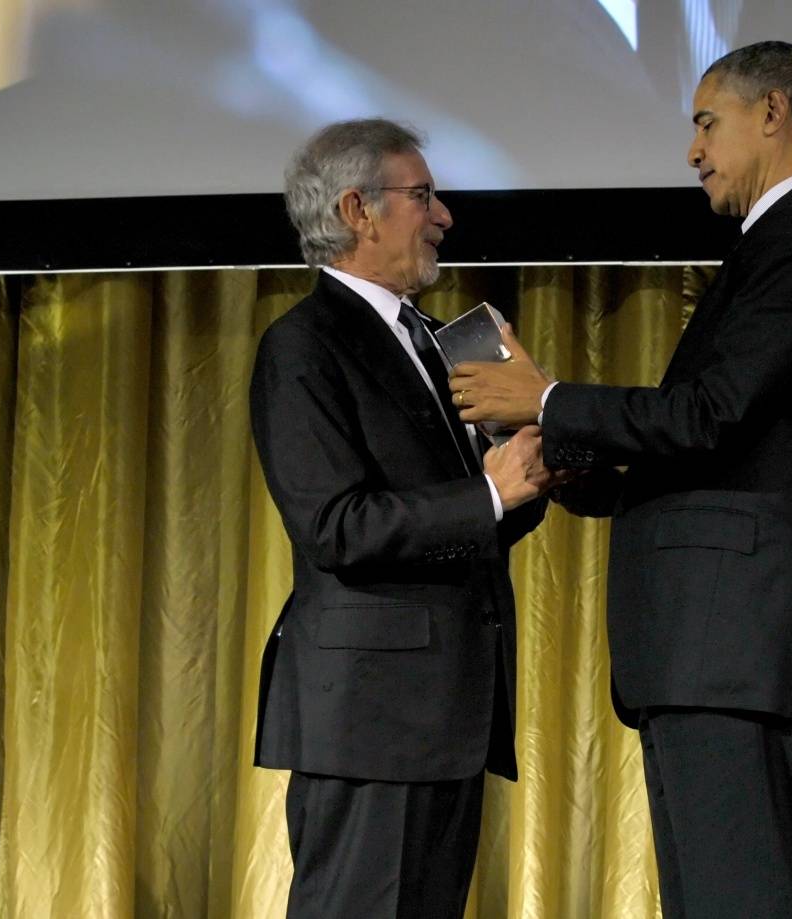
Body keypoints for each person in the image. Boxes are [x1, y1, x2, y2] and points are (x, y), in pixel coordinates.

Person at [450, 42, 792, 918]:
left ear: (773, 112)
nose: (693, 152)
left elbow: (710, 414)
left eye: (705, 123)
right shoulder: (778, 245)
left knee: (744, 898)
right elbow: (721, 447)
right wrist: (570, 460)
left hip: (739, 644)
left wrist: (555, 397)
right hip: (712, 649)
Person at [248, 118, 551, 919]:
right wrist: (487, 495)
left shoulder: (434, 341)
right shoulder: (303, 346)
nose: (444, 216)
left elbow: (480, 512)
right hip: (370, 720)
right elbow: (336, 526)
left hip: (448, 712)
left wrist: (532, 459)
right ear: (357, 209)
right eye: (422, 196)